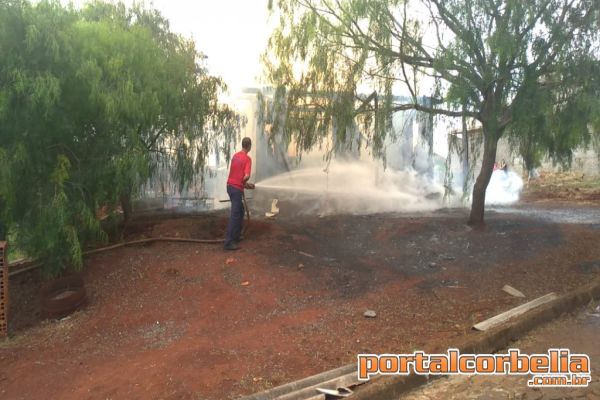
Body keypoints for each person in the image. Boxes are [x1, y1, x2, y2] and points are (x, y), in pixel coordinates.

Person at [224, 137, 255, 250]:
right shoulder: (247, 159)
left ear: (242, 145)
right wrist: (247, 183)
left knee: (241, 211)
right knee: (235, 214)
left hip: (229, 187)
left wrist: (245, 185)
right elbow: (246, 176)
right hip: (236, 189)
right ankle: (228, 242)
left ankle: (236, 236)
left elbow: (236, 175)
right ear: (249, 146)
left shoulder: (235, 156)